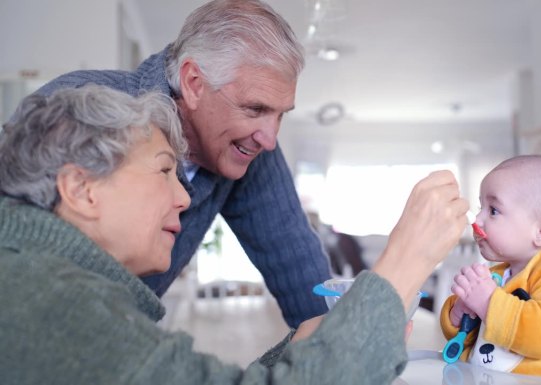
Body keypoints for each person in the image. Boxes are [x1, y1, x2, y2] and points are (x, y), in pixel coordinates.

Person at [0, 85, 470, 384]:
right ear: (82, 189)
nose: (185, 198)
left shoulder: (33, 276)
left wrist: (303, 346)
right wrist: (406, 259)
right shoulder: (49, 302)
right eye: (164, 171)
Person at [27, 0, 330, 328]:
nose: (270, 140)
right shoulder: (74, 106)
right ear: (194, 83)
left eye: (281, 114)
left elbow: (295, 259)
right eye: (255, 109)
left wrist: (344, 349)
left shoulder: (247, 144)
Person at [439, 155, 541, 384]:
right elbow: (472, 341)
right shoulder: (497, 275)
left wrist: (488, 303)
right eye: (481, 207)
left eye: (494, 210)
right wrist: (460, 314)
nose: (477, 219)